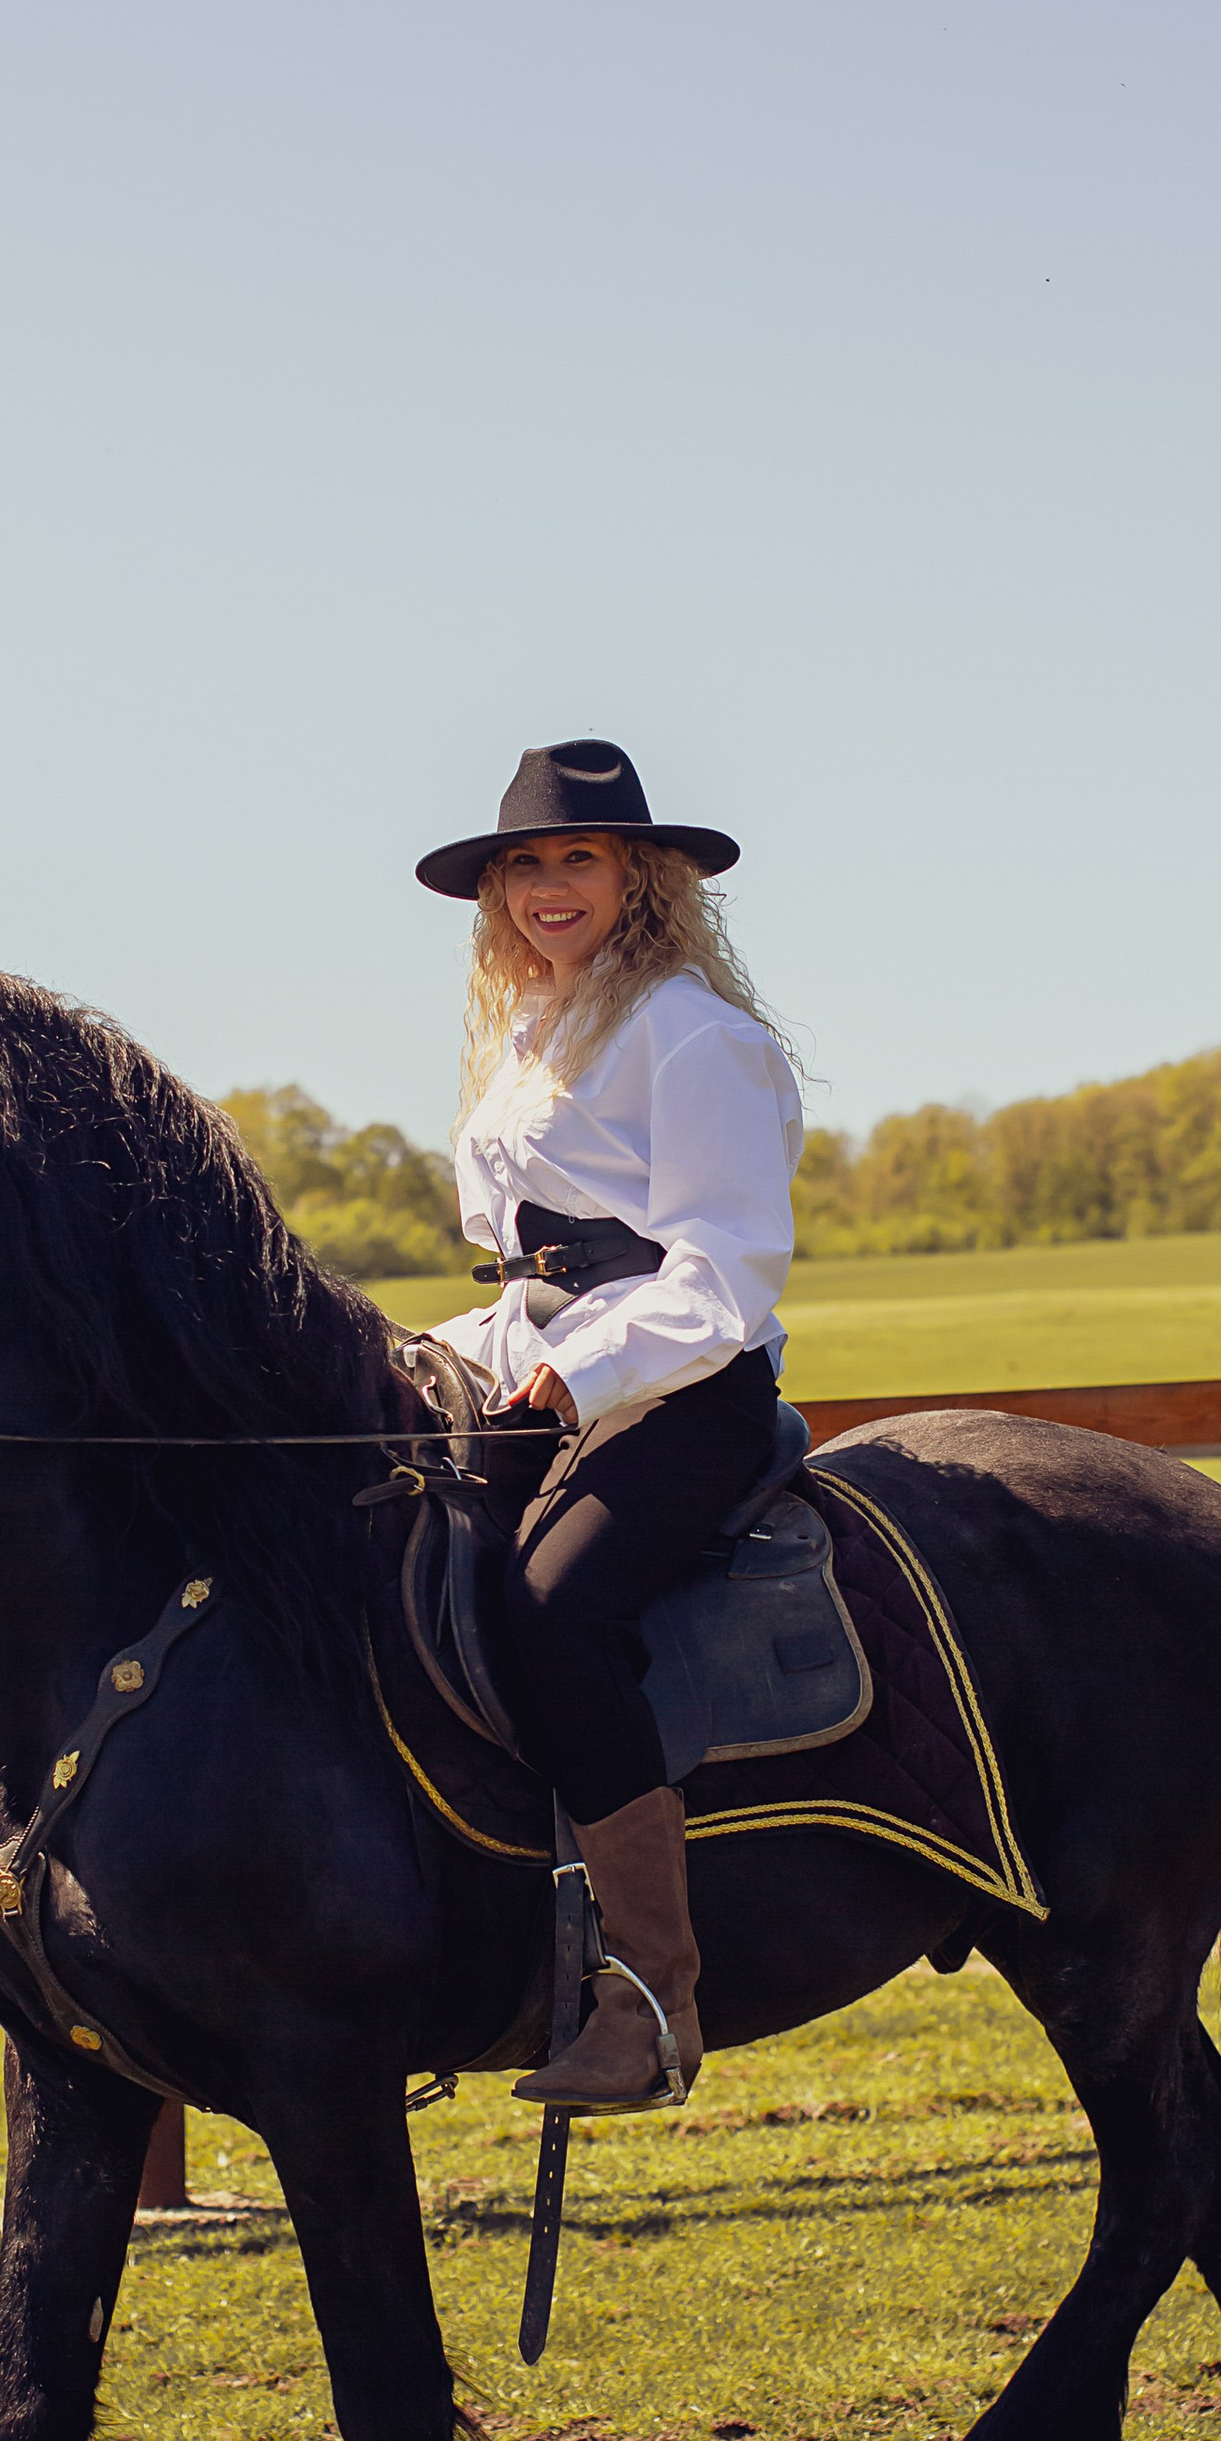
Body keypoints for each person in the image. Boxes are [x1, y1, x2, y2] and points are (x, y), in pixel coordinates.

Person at [415, 738, 804, 2113]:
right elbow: (527, 1266)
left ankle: (651, 1992)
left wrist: (589, 1371)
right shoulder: (531, 1035)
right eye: (523, 863)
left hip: (680, 1389)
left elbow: (726, 1264)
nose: (545, 887)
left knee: (548, 1607)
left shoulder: (694, 1035)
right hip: (538, 1369)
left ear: (639, 874)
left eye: (575, 857)